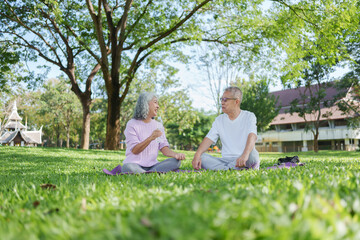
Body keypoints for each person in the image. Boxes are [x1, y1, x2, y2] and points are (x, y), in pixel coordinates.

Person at [192, 86, 260, 170]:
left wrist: (245, 155)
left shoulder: (249, 116)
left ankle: (224, 169)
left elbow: (252, 136)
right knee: (201, 157)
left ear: (236, 101)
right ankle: (231, 169)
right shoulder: (219, 119)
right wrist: (197, 155)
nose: (222, 102)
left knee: (252, 155)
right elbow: (209, 138)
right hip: (225, 160)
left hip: (244, 157)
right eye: (221, 99)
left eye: (225, 100)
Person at [122, 92, 186, 173]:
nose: (158, 106)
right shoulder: (132, 124)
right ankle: (150, 173)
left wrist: (175, 155)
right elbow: (135, 150)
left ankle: (146, 173)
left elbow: (164, 148)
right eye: (155, 102)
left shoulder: (158, 125)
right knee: (127, 167)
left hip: (153, 165)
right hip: (135, 164)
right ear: (145, 104)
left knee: (176, 162)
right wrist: (151, 138)